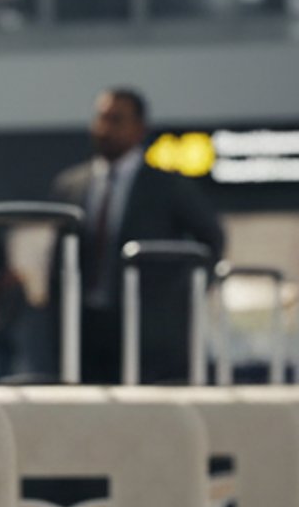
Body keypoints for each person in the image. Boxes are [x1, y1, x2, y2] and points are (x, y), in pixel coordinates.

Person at [52, 88, 224, 384]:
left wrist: (184, 295)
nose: (105, 128)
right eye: (101, 118)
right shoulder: (70, 185)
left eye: (116, 120)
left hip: (147, 328)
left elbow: (212, 238)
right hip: (87, 329)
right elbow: (58, 260)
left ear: (139, 129)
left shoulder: (167, 186)